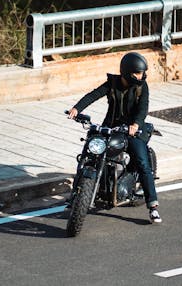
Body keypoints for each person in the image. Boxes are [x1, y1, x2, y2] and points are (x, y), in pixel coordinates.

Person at [68, 52, 162, 224]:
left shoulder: (142, 87)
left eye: (142, 73)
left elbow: (143, 108)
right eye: (138, 73)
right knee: (89, 151)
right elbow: (93, 95)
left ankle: (153, 206)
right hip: (111, 127)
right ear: (127, 73)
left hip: (132, 129)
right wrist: (77, 108)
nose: (142, 76)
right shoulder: (112, 84)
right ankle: (76, 193)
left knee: (142, 162)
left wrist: (136, 124)